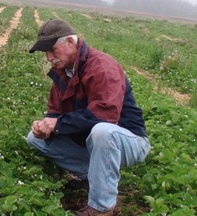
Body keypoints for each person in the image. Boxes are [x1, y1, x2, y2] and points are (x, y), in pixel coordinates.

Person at [27, 19, 151, 216]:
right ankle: (91, 176)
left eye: (52, 50)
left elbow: (106, 115)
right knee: (35, 139)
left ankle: (102, 208)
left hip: (130, 141)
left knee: (103, 131)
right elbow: (54, 112)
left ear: (70, 41)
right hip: (93, 142)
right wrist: (45, 126)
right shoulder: (63, 72)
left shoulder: (102, 66)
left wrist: (58, 123)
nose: (49, 58)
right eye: (45, 53)